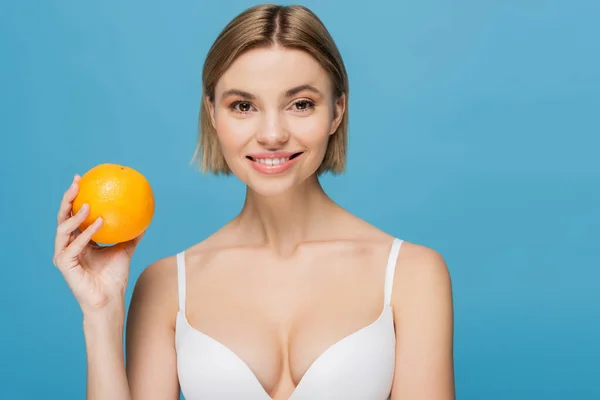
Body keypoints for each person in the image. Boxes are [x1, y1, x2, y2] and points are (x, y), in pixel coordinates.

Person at [52, 4, 455, 400]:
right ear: (212, 113)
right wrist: (101, 313)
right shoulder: (165, 286)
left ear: (337, 111)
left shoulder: (411, 275)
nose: (273, 134)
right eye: (243, 106)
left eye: (301, 104)